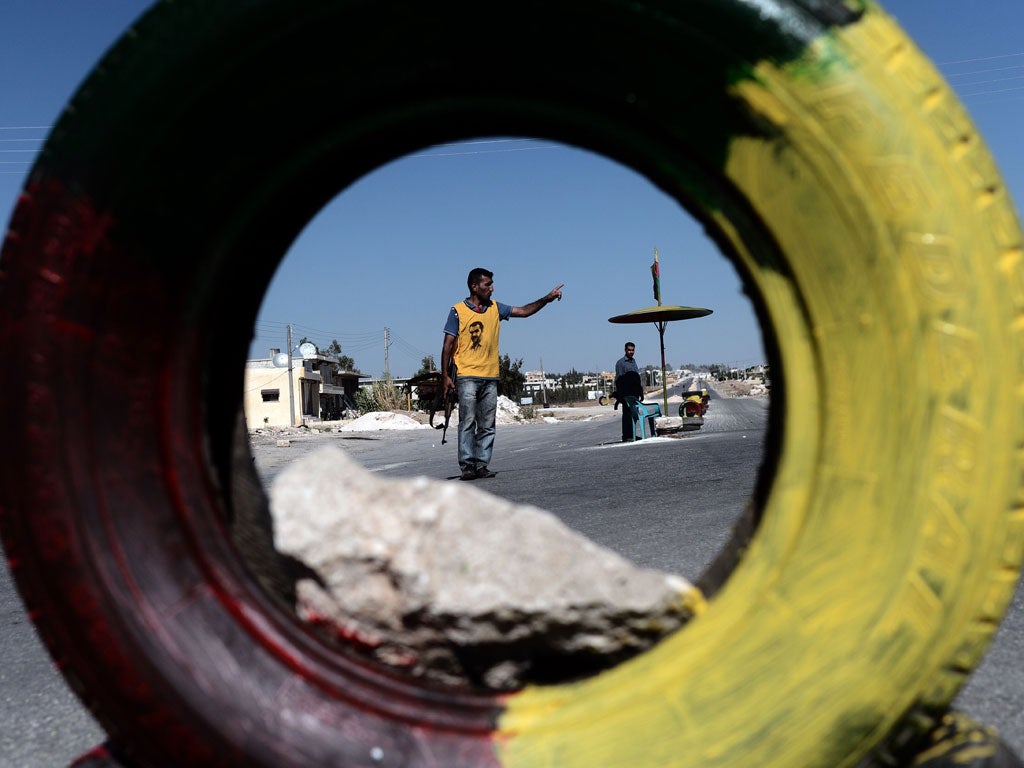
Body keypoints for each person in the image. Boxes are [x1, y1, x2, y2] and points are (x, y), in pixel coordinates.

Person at [441, 267, 564, 481]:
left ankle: (481, 464)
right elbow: (447, 344)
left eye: (491, 284)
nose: (492, 288)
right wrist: (445, 375)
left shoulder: (495, 308)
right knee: (468, 421)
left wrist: (548, 298)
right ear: (474, 286)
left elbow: (524, 311)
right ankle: (467, 466)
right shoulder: (457, 311)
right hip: (467, 375)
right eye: (487, 284)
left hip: (490, 376)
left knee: (488, 424)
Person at [614, 341, 641, 441]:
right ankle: (626, 436)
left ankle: (633, 434)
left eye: (632, 350)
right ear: (625, 350)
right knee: (627, 414)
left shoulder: (633, 361)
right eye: (629, 350)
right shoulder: (621, 363)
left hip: (635, 393)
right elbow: (618, 379)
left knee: (634, 414)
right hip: (626, 393)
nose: (631, 352)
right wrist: (621, 394)